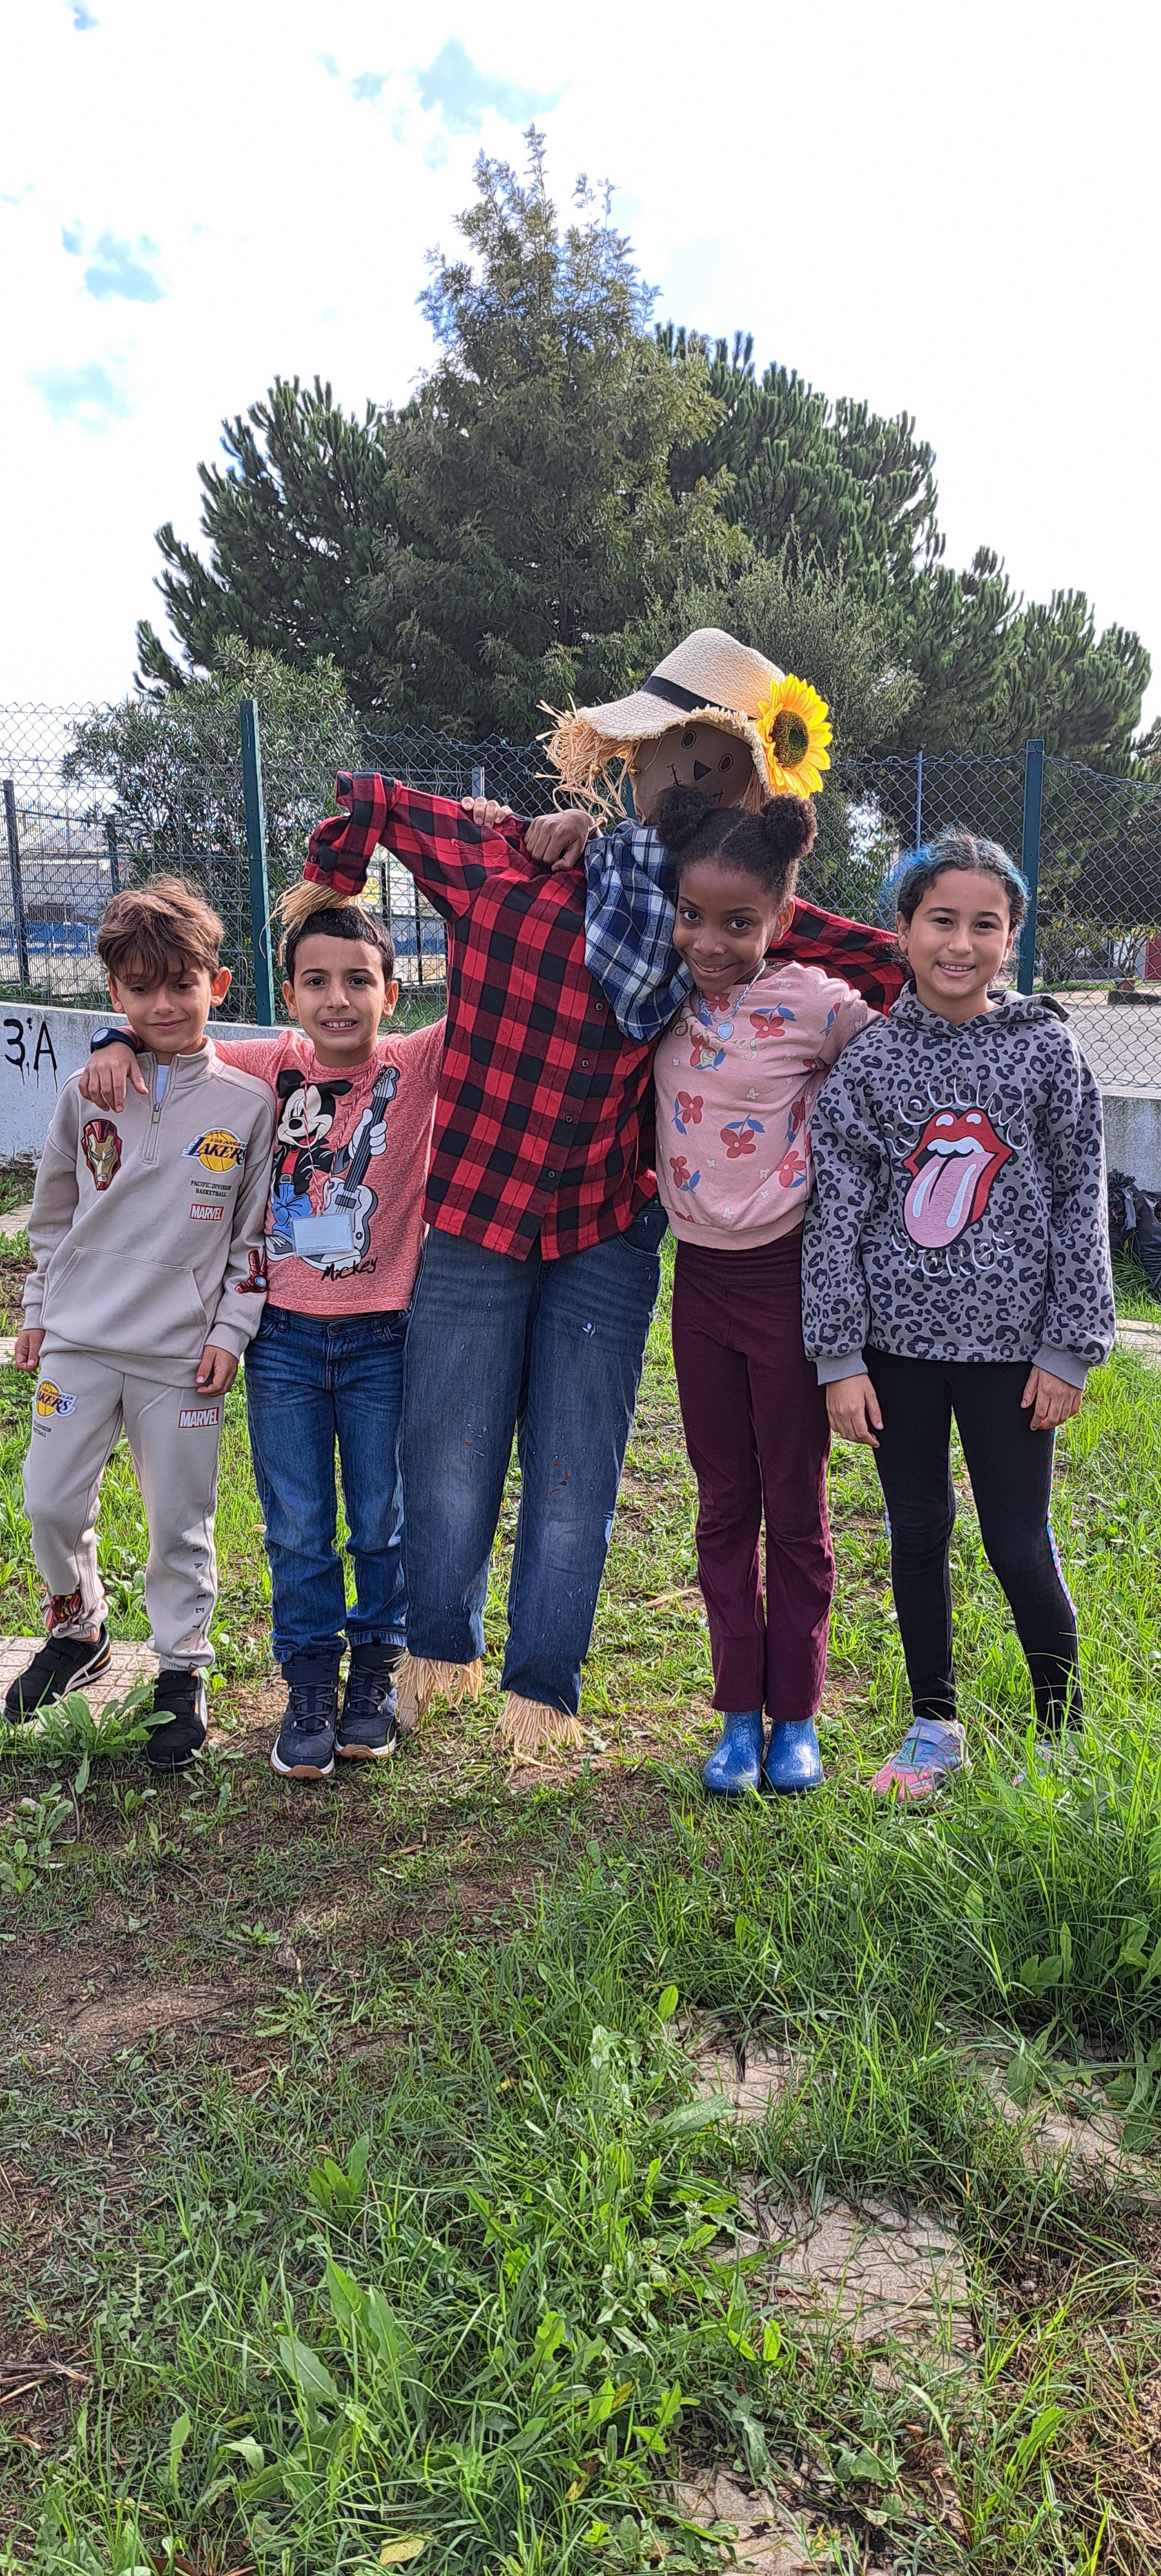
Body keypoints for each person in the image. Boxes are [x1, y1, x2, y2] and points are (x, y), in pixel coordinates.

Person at [304, 634, 903, 1762]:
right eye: (673, 756)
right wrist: (354, 857)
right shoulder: (511, 862)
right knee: (447, 1449)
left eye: (718, 761)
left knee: (579, 1466)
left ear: (754, 782)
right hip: (476, 1211)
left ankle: (542, 1686)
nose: (691, 780)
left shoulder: (729, 906)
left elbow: (894, 960)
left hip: (605, 1225)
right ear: (628, 760)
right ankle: (437, 1648)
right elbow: (377, 806)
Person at [78, 884, 442, 1783]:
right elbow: (175, 1035)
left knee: (380, 1522)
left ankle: (374, 1680)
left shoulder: (419, 1061)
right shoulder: (265, 1061)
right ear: (288, 995)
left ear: (393, 994)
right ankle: (310, 1685)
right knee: (298, 1526)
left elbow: (489, 983)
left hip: (385, 1341)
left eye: (360, 980)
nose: (338, 1000)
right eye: (315, 981)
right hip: (278, 1343)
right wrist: (114, 1038)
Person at [802, 832, 1115, 1799]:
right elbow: (837, 1211)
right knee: (917, 1530)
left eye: (987, 924)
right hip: (896, 1355)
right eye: (942, 919)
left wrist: (1070, 1347)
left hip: (1014, 1359)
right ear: (903, 930)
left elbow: (1079, 1197)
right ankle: (934, 1726)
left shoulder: (1048, 1053)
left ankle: (1059, 1732)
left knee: (1019, 1541)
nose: (962, 943)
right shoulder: (872, 1062)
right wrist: (838, 1356)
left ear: (1011, 937)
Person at [8, 879, 275, 1770]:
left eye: (182, 984)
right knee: (46, 1503)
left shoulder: (248, 1106)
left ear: (219, 984)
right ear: (113, 996)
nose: (164, 1003)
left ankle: (182, 1671)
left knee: (179, 1524)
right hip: (79, 1342)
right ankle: (79, 1630)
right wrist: (40, 1310)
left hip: (179, 1360)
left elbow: (252, 1243)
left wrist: (228, 1333)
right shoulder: (89, 1093)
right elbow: (50, 1216)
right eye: (140, 988)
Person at [647, 783, 875, 1795]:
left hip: (790, 1288)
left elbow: (903, 1050)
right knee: (722, 1501)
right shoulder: (656, 988)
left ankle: (798, 1717)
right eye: (693, 914)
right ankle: (737, 1711)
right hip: (697, 1287)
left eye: (740, 922)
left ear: (782, 919)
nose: (710, 939)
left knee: (796, 1505)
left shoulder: (819, 1005)